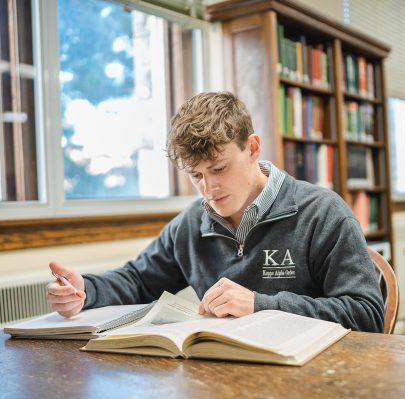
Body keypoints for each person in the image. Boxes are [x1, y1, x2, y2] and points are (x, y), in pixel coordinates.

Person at [46, 91, 384, 332]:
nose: (208, 189)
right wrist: (86, 290)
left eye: (219, 169)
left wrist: (261, 304)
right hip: (222, 381)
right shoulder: (192, 223)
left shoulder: (323, 213)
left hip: (313, 382)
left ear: (252, 148)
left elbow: (367, 314)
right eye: (196, 176)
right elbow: (137, 279)